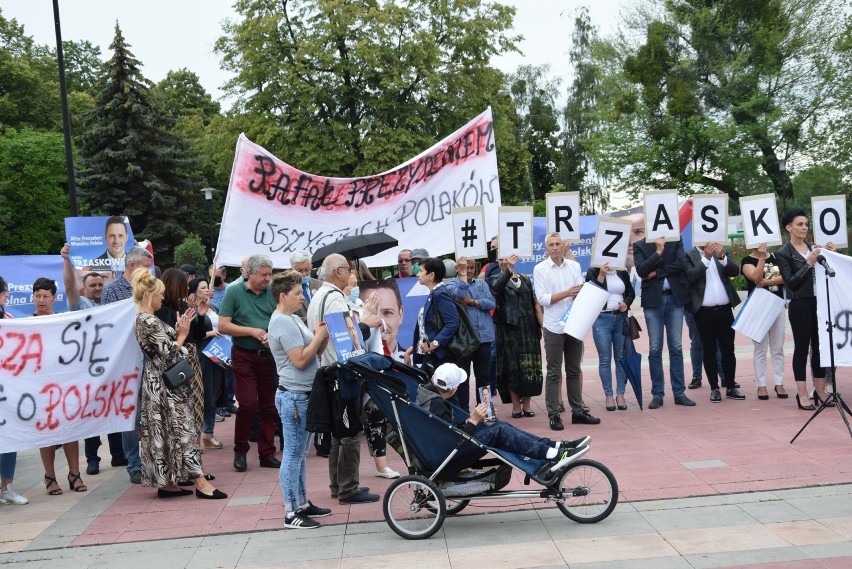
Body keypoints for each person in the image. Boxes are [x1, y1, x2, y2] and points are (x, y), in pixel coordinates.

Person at [131, 268, 226, 499]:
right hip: (165, 386)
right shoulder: (147, 321)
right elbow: (169, 355)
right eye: (159, 295)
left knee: (166, 431)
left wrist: (183, 329)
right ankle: (200, 482)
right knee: (183, 428)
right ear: (148, 296)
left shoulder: (148, 320)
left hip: (162, 384)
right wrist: (181, 334)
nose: (162, 298)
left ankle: (167, 484)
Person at [416, 364, 590, 483]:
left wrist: (474, 420)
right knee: (500, 430)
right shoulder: (437, 404)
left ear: (433, 378)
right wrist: (474, 421)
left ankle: (554, 447)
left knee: (502, 428)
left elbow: (446, 433)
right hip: (448, 457)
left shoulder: (427, 395)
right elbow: (452, 442)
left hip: (444, 452)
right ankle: (552, 453)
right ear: (454, 389)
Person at [308, 253, 379, 504]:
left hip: (328, 370)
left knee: (339, 431)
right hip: (342, 371)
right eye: (349, 269)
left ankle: (338, 485)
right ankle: (349, 488)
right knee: (349, 432)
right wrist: (367, 324)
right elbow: (346, 339)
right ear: (338, 271)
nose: (352, 274)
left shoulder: (318, 296)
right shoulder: (335, 299)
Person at [267, 271, 333, 528]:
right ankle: (290, 511)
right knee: (293, 454)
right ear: (283, 296)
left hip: (303, 393)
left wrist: (321, 339)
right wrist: (318, 337)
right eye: (297, 294)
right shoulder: (281, 322)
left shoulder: (293, 319)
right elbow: (300, 359)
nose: (302, 298)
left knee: (301, 453)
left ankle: (302, 503)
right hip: (293, 396)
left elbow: (313, 355)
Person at [61, 243, 127, 475]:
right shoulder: (79, 305)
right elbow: (69, 284)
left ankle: (119, 455)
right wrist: (66, 261)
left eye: (101, 284)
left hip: (112, 366)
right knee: (92, 414)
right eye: (93, 285)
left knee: (115, 409)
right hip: (88, 369)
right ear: (83, 289)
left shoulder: (113, 305)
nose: (98, 288)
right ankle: (92, 459)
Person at [218, 254, 281, 472]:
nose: (268, 278)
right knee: (247, 404)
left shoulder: (272, 292)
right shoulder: (234, 292)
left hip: (268, 356)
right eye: (264, 275)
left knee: (269, 405)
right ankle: (240, 450)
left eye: (270, 274)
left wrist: (269, 335)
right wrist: (252, 332)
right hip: (243, 355)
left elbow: (280, 319)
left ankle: (267, 452)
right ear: (250, 273)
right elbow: (224, 325)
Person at [533, 233, 600, 430]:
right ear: (546, 249)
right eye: (551, 245)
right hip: (553, 325)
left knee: (574, 370)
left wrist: (580, 294)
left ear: (563, 246)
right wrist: (567, 293)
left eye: (557, 244)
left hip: (574, 323)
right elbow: (542, 299)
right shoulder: (540, 269)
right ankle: (554, 414)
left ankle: (578, 411)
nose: (554, 247)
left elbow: (579, 292)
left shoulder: (574, 266)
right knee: (554, 371)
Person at [99, 246, 154, 484]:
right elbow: (109, 325)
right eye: (145, 266)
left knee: (151, 413)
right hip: (125, 362)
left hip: (149, 357)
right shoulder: (112, 291)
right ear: (132, 266)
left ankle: (153, 458)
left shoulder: (150, 289)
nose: (149, 271)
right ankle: (134, 463)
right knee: (131, 415)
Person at [30, 277, 87, 495]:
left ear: (54, 298)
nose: (41, 300)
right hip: (39, 387)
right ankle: (50, 477)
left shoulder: (63, 321)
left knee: (70, 430)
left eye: (46, 296)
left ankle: (75, 474)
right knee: (46, 434)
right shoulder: (25, 323)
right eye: (37, 296)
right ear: (33, 298)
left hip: (64, 385)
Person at [775, 208, 837, 410]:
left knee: (820, 347)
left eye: (806, 224)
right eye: (799, 224)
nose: (804, 227)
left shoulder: (813, 247)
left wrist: (832, 255)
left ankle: (819, 390)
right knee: (802, 348)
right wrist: (808, 264)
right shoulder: (784, 253)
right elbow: (791, 283)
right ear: (789, 227)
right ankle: (802, 394)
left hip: (819, 303)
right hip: (800, 304)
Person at [633, 236, 694, 409]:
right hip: (653, 302)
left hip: (675, 299)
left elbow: (681, 264)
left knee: (676, 346)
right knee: (655, 348)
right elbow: (642, 271)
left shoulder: (675, 240)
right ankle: (657, 393)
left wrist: (658, 272)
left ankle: (679, 392)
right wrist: (658, 251)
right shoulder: (639, 245)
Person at [685, 242, 742, 403]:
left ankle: (730, 386)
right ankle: (714, 388)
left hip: (724, 309)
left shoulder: (721, 252)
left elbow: (734, 271)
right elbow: (690, 277)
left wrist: (721, 256)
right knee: (708, 349)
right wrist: (706, 259)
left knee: (728, 349)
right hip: (703, 312)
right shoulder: (689, 255)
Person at [155, 269, 206, 440]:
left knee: (197, 404)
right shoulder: (160, 310)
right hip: (174, 362)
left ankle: (194, 442)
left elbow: (198, 335)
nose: (187, 287)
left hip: (191, 359)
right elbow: (164, 341)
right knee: (179, 407)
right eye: (184, 284)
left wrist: (199, 316)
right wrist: (180, 331)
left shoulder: (184, 306)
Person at [491, 254, 542, 418]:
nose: (505, 261)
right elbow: (496, 289)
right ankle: (515, 406)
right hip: (508, 331)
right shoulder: (494, 278)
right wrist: (509, 269)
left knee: (529, 367)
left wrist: (540, 326)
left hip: (528, 330)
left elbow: (534, 303)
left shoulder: (525, 279)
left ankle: (527, 405)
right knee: (511, 368)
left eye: (508, 258)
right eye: (501, 259)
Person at [445, 256, 496, 412]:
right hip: (464, 339)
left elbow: (492, 302)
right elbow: (459, 296)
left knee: (484, 377)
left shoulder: (482, 283)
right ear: (458, 269)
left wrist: (472, 302)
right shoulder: (451, 284)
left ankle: (486, 410)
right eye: (465, 268)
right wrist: (462, 279)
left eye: (471, 268)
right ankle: (463, 411)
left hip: (484, 337)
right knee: (463, 377)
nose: (468, 271)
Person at [586, 262, 635, 411]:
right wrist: (601, 275)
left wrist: (626, 303)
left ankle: (620, 394)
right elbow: (591, 293)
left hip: (620, 318)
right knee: (605, 358)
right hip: (602, 319)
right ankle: (608, 395)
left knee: (620, 358)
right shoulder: (593, 271)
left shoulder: (621, 270)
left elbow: (630, 292)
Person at [741, 243, 787, 400]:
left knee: (778, 347)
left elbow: (785, 276)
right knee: (760, 349)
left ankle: (779, 383)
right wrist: (761, 258)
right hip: (758, 307)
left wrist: (768, 283)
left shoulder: (776, 257)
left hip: (777, 305)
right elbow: (756, 278)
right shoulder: (747, 260)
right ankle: (761, 385)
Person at [0, 276, 29, 506]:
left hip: (7, 391)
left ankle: (6, 486)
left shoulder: (8, 319)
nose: (7, 296)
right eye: (4, 292)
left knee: (9, 439)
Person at [404, 257, 460, 374]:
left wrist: (434, 344)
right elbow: (426, 329)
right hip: (431, 354)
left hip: (441, 356)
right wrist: (412, 349)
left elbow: (453, 323)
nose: (418, 274)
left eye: (421, 271)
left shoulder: (440, 294)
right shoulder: (435, 293)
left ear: (431, 275)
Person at [189, 276, 226, 449]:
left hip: (217, 354)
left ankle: (209, 434)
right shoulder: (190, 309)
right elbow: (189, 335)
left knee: (214, 392)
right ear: (194, 291)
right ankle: (196, 436)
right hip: (201, 353)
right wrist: (209, 333)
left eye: (207, 287)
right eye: (203, 287)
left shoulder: (214, 306)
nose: (207, 290)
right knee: (201, 394)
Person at [359, 279, 407, 362]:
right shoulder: (350, 368)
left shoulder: (414, 365)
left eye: (387, 312)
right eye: (371, 313)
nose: (380, 322)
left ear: (401, 314)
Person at [290, 250, 322, 324]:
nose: (304, 274)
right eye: (299, 271)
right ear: (292, 270)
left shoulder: (320, 285)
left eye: (307, 270)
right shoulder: (286, 289)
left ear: (311, 266)